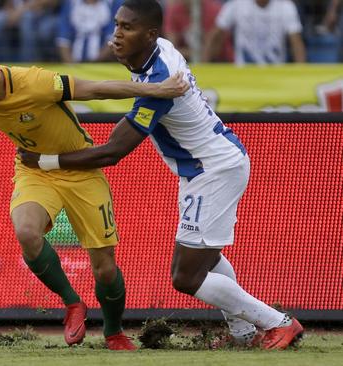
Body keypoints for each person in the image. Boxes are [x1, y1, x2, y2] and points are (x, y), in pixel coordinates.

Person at [18, 0, 304, 350]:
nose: (117, 34)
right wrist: (126, 54)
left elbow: (112, 153)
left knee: (186, 276)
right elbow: (133, 102)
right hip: (206, 167)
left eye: (128, 28)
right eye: (118, 25)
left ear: (151, 34)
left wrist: (45, 161)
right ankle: (244, 333)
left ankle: (278, 322)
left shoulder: (160, 81)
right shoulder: (156, 52)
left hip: (214, 170)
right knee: (208, 258)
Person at [0, 41, 188, 350]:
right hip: (34, 168)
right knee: (26, 231)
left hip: (80, 168)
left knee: (104, 268)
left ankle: (113, 333)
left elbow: (97, 89)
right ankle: (73, 304)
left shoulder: (36, 83)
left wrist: (159, 89)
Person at [203, 0, 306, 65]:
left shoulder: (286, 6)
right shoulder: (236, 4)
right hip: (244, 72)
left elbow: (296, 43)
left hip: (275, 72)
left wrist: (300, 73)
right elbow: (216, 36)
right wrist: (204, 66)